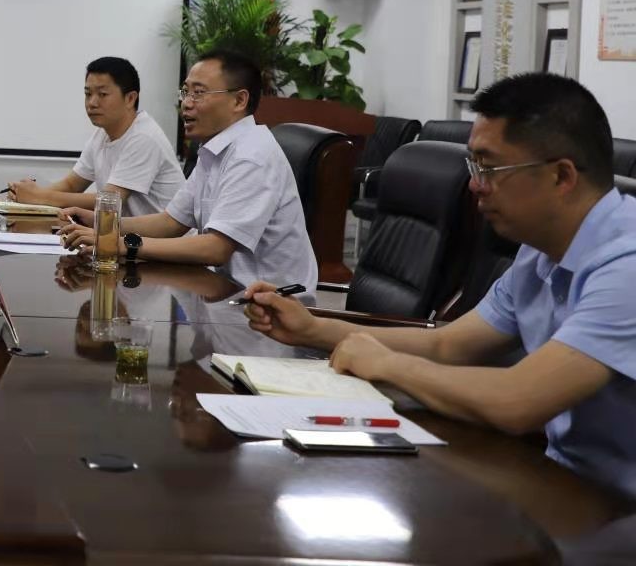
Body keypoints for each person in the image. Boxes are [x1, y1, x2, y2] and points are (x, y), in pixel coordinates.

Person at [243, 73, 636, 498]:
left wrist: (387, 364)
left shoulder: (627, 266)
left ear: (561, 176)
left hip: (615, 507)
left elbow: (517, 401)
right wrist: (313, 329)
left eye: (490, 167)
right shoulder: (538, 251)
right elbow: (448, 345)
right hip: (561, 481)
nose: (475, 184)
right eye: (474, 166)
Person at [62, 49, 317, 294]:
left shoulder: (252, 156)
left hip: (267, 305)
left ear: (239, 100)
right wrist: (100, 223)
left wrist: (118, 244)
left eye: (199, 93)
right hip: (222, 290)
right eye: (185, 92)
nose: (186, 103)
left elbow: (215, 249)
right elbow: (170, 223)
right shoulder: (215, 150)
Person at [6, 56, 184, 215]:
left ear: (130, 98)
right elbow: (71, 185)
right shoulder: (102, 134)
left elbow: (110, 200)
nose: (92, 103)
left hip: (164, 240)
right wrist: (24, 198)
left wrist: (40, 197)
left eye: (102, 94)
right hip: (124, 236)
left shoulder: (144, 137)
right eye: (88, 94)